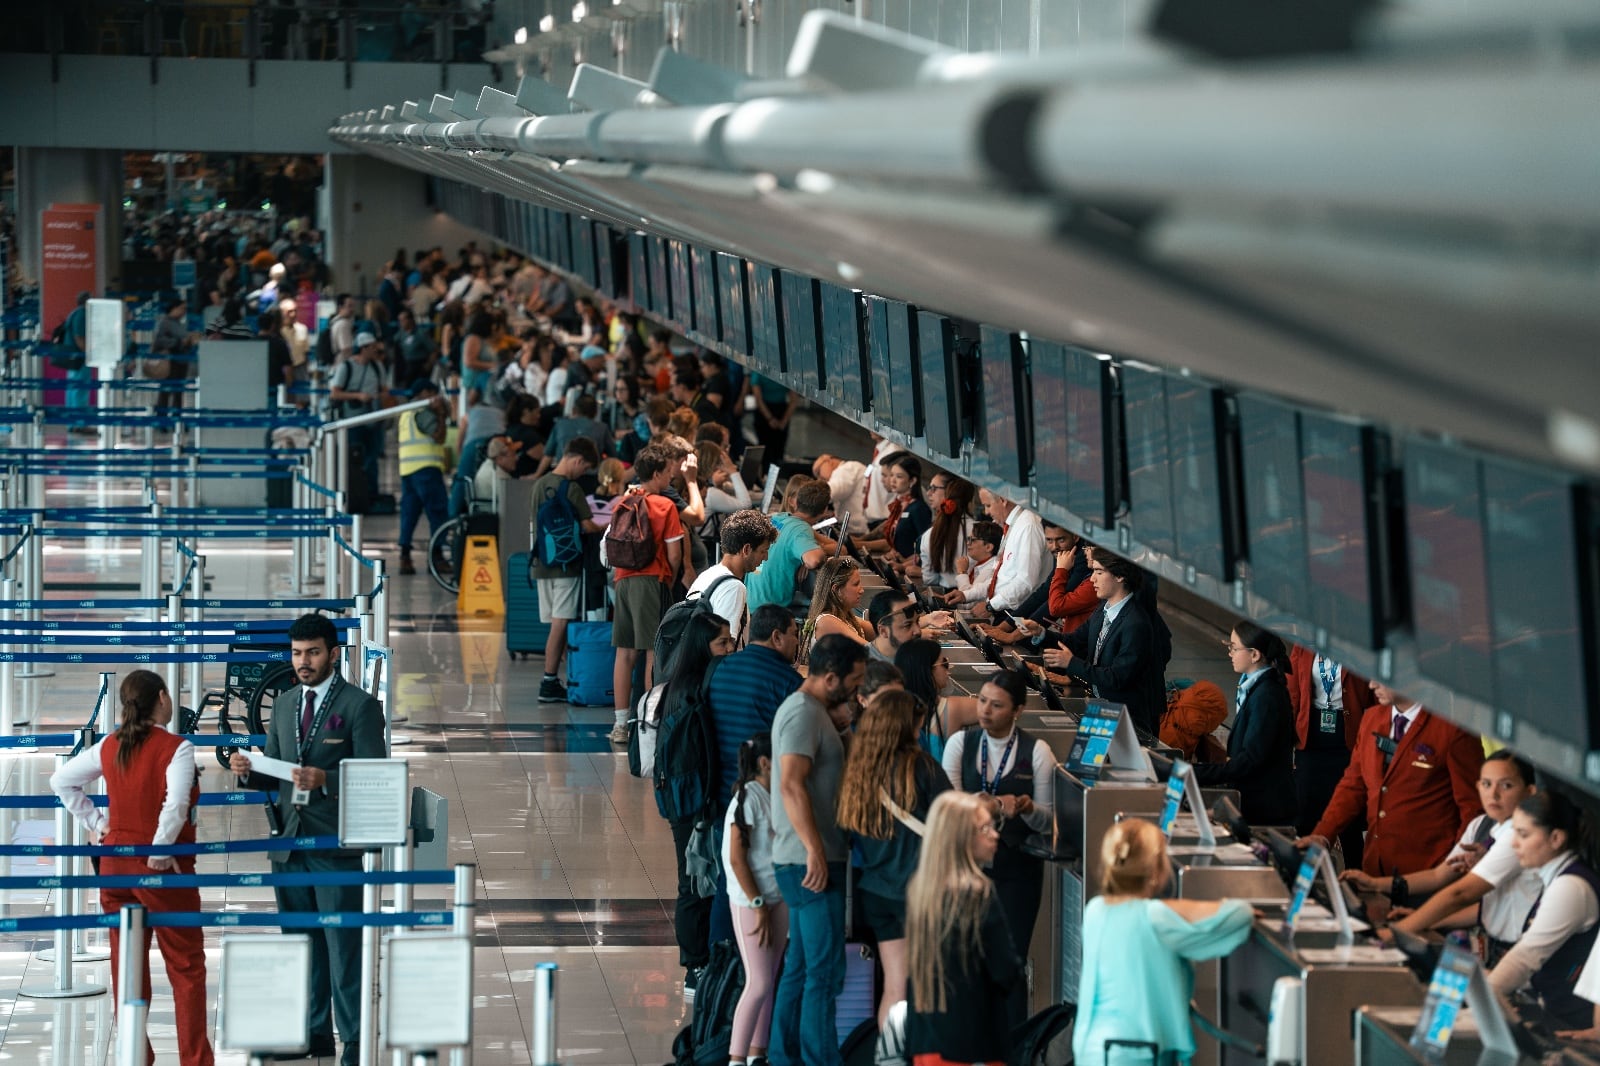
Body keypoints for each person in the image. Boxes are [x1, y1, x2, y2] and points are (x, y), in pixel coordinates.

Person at [230, 614, 387, 1066]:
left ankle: (354, 1038)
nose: (303, 662)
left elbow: (375, 777)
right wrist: (251, 771)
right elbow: (278, 770)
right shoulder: (284, 705)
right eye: (297, 653)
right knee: (299, 941)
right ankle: (311, 1031)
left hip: (335, 842)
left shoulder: (359, 707)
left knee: (343, 945)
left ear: (333, 654)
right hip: (289, 841)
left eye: (313, 652)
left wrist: (326, 779)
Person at [51, 670, 215, 1066]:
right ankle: (195, 1060)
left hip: (114, 868)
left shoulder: (110, 745)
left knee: (126, 964)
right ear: (161, 698)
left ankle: (135, 1055)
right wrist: (159, 851)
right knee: (186, 966)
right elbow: (175, 804)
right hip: (163, 872)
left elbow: (62, 780)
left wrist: (99, 824)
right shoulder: (177, 747)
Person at [1074, 819, 1254, 1065]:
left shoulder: (1095, 910)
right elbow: (1239, 914)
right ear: (1155, 871)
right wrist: (1174, 907)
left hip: (1092, 1047)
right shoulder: (1156, 917)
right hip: (1138, 1052)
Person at [769, 634, 869, 1066]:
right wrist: (813, 850)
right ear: (831, 678)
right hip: (810, 862)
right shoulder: (802, 715)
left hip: (811, 857)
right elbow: (791, 783)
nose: (858, 689)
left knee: (801, 967)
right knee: (823, 974)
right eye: (855, 681)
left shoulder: (815, 713)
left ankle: (782, 1055)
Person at [1344, 750, 1539, 965]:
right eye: (1486, 784)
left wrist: (1396, 932)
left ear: (1530, 791)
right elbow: (1439, 876)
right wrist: (1375, 884)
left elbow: (1460, 893)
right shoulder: (1482, 824)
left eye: (1506, 786)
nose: (1493, 795)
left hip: (1521, 949)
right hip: (1495, 945)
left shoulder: (1518, 835)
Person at [839, 689, 952, 1027]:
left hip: (875, 890)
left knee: (894, 985)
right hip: (919, 892)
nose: (919, 732)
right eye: (915, 726)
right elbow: (951, 818)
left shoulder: (860, 770)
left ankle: (888, 1055)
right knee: (927, 987)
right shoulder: (922, 767)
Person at [1302, 681, 1484, 876]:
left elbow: (1473, 808)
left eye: (1382, 676)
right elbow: (1353, 786)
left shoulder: (1453, 728)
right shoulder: (1371, 719)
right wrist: (1323, 835)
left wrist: (1455, 864)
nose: (1371, 685)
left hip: (1429, 870)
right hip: (1376, 867)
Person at [940, 669, 1057, 956]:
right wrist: (989, 804)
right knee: (965, 957)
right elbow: (948, 810)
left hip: (1017, 872)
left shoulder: (1038, 752)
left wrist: (1028, 809)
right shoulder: (960, 744)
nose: (985, 710)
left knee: (1010, 958)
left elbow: (1049, 821)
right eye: (982, 701)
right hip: (966, 869)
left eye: (997, 705)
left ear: (1018, 710)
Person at [903, 791, 1024, 1066]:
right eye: (984, 829)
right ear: (961, 838)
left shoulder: (920, 891)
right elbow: (1006, 970)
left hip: (925, 1039)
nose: (995, 834)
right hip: (971, 1042)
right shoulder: (977, 893)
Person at [657, 612, 738, 991]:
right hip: (689, 799)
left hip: (687, 795)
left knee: (700, 875)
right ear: (702, 646)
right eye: (721, 642)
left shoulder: (682, 682)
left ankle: (702, 959)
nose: (729, 648)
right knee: (692, 879)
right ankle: (694, 966)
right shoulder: (696, 689)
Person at [1483, 792, 1600, 1029]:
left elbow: (1525, 957)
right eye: (1513, 831)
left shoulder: (1570, 887)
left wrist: (1482, 995)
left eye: (1523, 834)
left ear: (1555, 838)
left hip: (1571, 1023)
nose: (1514, 843)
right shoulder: (1556, 876)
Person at [1042, 548, 1167, 736]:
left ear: (1120, 576)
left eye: (1099, 572)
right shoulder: (1103, 610)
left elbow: (1117, 678)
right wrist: (1040, 634)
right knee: (1086, 761)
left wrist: (1071, 663)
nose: (1092, 579)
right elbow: (1074, 641)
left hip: (1126, 721)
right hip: (1101, 710)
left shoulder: (1136, 624)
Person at [609, 444, 687, 743]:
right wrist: (667, 581)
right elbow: (675, 554)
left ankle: (619, 725)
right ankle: (648, 721)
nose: (671, 478)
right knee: (654, 652)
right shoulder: (664, 506)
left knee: (625, 652)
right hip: (651, 579)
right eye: (668, 473)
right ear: (656, 474)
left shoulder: (623, 501)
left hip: (623, 580)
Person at [1192, 622, 1298, 826]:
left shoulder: (1267, 696)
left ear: (1255, 655)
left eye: (1234, 647)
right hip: (1253, 802)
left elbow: (1250, 759)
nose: (1230, 653)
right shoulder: (1256, 687)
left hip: (1267, 809)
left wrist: (1198, 774)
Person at [724, 733, 788, 1066]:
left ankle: (757, 1054)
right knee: (759, 982)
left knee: (771, 979)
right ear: (765, 763)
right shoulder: (746, 800)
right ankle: (737, 1057)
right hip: (752, 902)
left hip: (777, 897)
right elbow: (738, 859)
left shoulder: (773, 794)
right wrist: (759, 904)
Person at [529, 437, 602, 702]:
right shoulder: (570, 488)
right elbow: (587, 526)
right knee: (561, 624)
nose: (582, 473)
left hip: (542, 563)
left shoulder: (539, 484)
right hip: (566, 566)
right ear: (577, 460)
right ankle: (548, 681)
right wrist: (609, 524)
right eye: (584, 468)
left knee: (554, 623)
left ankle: (563, 677)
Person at [1287, 645, 1375, 866]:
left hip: (1347, 736)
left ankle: (1355, 881)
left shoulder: (1359, 645)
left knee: (1350, 819)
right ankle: (1303, 877)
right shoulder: (1304, 644)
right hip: (1311, 737)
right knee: (1306, 812)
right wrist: (1288, 736)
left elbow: (1374, 697)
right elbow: (1293, 690)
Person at [686, 509, 777, 647]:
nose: (766, 557)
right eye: (763, 551)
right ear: (746, 549)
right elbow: (725, 648)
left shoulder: (707, 575)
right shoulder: (733, 588)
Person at [745, 479, 831, 612]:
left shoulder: (777, 518)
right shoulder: (800, 529)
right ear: (824, 510)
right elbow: (813, 560)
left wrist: (802, 556)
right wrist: (811, 555)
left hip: (749, 601)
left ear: (796, 502)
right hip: (769, 609)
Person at [969, 489, 1052, 624]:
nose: (986, 512)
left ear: (1003, 500)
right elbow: (1002, 578)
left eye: (988, 505)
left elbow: (1025, 582)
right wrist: (967, 595)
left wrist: (991, 606)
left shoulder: (1028, 525)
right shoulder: (1013, 524)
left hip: (1020, 615)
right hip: (1004, 611)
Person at [396, 379, 451, 576]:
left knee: (409, 514)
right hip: (427, 468)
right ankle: (436, 557)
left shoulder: (406, 413)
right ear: (426, 392)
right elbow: (439, 437)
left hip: (407, 470)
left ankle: (405, 556)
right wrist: (440, 413)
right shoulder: (424, 411)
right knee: (438, 513)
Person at [898, 638, 981, 759]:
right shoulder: (952, 708)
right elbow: (1001, 707)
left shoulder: (890, 709)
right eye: (944, 664)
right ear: (927, 671)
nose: (948, 669)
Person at [329, 330, 390, 491]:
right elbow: (335, 392)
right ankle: (354, 491)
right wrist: (358, 396)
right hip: (352, 420)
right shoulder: (346, 367)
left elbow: (385, 390)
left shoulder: (377, 367)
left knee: (372, 458)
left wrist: (378, 397)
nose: (375, 351)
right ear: (363, 348)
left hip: (373, 419)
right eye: (372, 347)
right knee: (354, 457)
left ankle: (371, 493)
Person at [906, 473, 974, 589]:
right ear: (970, 502)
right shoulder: (978, 531)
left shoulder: (930, 534)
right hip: (975, 597)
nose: (929, 493)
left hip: (945, 596)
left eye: (934, 488)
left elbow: (930, 579)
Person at [801, 557, 873, 654]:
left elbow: (880, 632)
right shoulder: (826, 621)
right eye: (856, 584)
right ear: (836, 589)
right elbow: (871, 653)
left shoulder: (846, 618)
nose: (861, 590)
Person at [943, 520, 1002, 607]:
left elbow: (968, 604)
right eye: (968, 539)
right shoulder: (978, 563)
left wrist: (962, 572)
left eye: (972, 540)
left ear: (988, 547)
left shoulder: (991, 569)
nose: (968, 543)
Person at [866, 591, 920, 664]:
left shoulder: (919, 656)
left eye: (917, 621)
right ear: (883, 631)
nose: (918, 631)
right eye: (907, 625)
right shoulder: (861, 669)